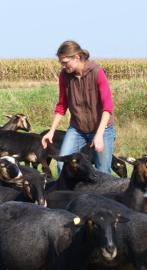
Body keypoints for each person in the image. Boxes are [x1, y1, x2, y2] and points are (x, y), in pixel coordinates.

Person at [41, 40, 115, 175]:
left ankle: (100, 196)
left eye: (65, 62)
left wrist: (99, 135)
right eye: (61, 63)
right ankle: (70, 195)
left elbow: (108, 107)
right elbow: (62, 105)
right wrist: (51, 131)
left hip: (101, 129)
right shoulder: (64, 76)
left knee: (103, 171)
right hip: (77, 130)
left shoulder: (97, 72)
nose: (63, 66)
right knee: (62, 165)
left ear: (77, 57)